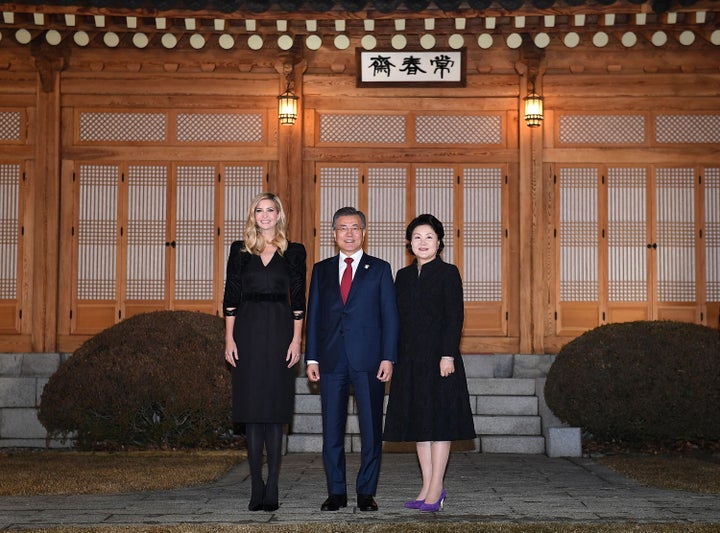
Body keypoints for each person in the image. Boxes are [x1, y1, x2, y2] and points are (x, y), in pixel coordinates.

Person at [305, 206, 399, 513]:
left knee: (371, 429)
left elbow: (390, 317)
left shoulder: (381, 269)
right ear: (334, 234)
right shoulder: (321, 270)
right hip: (332, 359)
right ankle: (336, 493)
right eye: (343, 228)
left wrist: (388, 357)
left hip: (369, 359)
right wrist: (312, 358)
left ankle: (366, 492)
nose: (349, 233)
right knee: (332, 430)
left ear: (364, 232)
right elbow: (314, 316)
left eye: (355, 227)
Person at [383, 213, 476, 513]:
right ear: (409, 243)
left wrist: (448, 354)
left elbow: (455, 317)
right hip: (411, 360)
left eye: (430, 237)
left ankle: (437, 488)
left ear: (439, 242)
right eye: (417, 238)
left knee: (440, 424)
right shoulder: (403, 276)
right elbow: (396, 320)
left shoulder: (449, 273)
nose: (423, 243)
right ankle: (426, 487)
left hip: (440, 360)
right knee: (420, 425)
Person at [222, 192, 306, 512]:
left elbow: (298, 299)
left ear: (279, 214)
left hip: (282, 331)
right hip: (247, 331)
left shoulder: (294, 251)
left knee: (275, 412)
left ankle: (273, 484)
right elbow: (231, 296)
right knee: (253, 412)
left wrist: (296, 340)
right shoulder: (240, 250)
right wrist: (229, 339)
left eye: (271, 210)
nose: (265, 215)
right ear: (253, 215)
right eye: (260, 210)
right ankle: (255, 483)